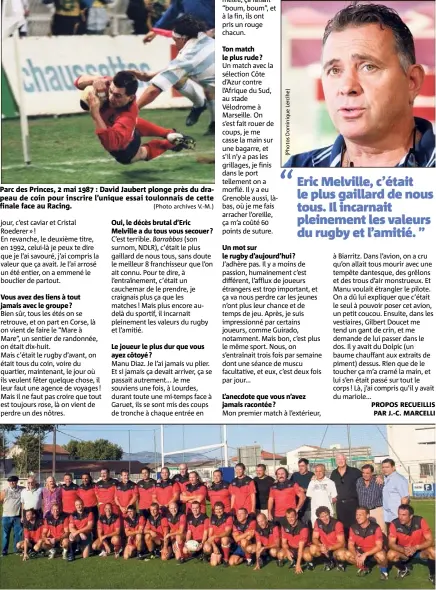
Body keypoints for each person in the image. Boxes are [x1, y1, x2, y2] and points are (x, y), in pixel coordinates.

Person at [284, 3, 435, 168]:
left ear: (412, 81)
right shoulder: (297, 171)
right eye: (334, 70)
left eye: (368, 67)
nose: (347, 87)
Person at [74, 71, 195, 166]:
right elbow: (78, 81)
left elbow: (111, 144)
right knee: (133, 123)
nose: (111, 97)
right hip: (124, 125)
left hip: (124, 145)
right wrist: (95, 80)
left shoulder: (128, 115)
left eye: (117, 96)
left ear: (130, 98)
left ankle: (169, 144)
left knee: (136, 155)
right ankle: (170, 134)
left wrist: (95, 114)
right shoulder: (111, 84)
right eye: (111, 91)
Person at [134, 15, 215, 135]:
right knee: (195, 82)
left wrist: (132, 110)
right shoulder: (205, 37)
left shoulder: (188, 56)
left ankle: (208, 116)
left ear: (183, 39)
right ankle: (202, 108)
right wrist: (151, 75)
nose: (175, 45)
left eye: (175, 40)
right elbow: (179, 68)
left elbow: (153, 90)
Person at [387, 504, 435, 584]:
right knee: (390, 554)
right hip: (404, 552)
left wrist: (416, 548)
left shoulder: (420, 521)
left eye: (404, 515)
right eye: (399, 514)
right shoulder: (394, 524)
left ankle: (432, 575)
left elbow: (430, 540)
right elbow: (391, 544)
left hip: (420, 551)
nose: (400, 517)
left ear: (411, 516)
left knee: (434, 551)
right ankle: (404, 570)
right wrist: (403, 550)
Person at [345, 506, 389, 580]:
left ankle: (384, 572)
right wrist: (356, 555)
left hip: (373, 553)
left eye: (360, 515)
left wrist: (365, 555)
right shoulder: (353, 527)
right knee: (347, 554)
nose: (357, 517)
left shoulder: (376, 527)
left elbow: (379, 546)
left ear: (367, 515)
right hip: (361, 552)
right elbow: (350, 545)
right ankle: (364, 568)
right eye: (357, 515)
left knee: (381, 555)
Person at [330, 453, 361, 536]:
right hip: (340, 505)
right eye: (338, 459)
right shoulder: (334, 473)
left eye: (342, 459)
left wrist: (378, 477)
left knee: (355, 525)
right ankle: (345, 545)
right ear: (336, 461)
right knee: (342, 526)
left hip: (353, 503)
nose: (340, 461)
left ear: (345, 460)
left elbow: (366, 476)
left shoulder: (355, 471)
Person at [309, 506, 346, 571]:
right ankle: (327, 561)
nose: (325, 518)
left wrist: (329, 548)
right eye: (322, 517)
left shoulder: (337, 524)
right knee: (312, 548)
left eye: (326, 515)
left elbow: (341, 543)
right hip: (324, 549)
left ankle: (338, 562)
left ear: (329, 514)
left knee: (342, 554)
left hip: (335, 548)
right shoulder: (317, 522)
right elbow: (314, 538)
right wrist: (320, 545)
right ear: (319, 517)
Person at [278, 508, 312, 572]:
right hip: (292, 548)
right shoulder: (284, 526)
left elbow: (301, 547)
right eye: (288, 517)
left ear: (296, 516)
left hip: (304, 547)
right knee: (280, 554)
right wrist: (287, 551)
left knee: (308, 556)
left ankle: (308, 562)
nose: (290, 519)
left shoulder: (303, 527)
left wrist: (298, 565)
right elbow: (284, 542)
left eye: (292, 517)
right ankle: (294, 560)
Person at [381, 458, 409, 530]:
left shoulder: (399, 479)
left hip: (397, 516)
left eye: (387, 467)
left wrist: (402, 515)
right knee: (391, 539)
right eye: (383, 467)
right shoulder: (386, 478)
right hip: (388, 516)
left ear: (393, 468)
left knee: (400, 538)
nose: (385, 469)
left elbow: (405, 498)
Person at [356, 464, 385, 533]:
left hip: (376, 510)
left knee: (381, 530)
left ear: (372, 473)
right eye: (363, 473)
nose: (365, 475)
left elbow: (385, 495)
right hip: (363, 512)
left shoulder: (378, 481)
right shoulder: (359, 481)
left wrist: (379, 477)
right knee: (365, 531)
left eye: (367, 473)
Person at [203, 501, 233, 567]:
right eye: (216, 509)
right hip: (215, 542)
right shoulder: (212, 518)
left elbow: (227, 533)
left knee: (224, 539)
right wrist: (214, 546)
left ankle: (226, 559)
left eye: (220, 509)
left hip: (225, 540)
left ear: (223, 509)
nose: (218, 511)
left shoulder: (228, 518)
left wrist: (216, 536)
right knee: (214, 563)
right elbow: (210, 535)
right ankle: (209, 555)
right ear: (214, 510)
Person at [1, 475, 24, 557]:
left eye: (13, 481)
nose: (11, 483)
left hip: (17, 516)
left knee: (18, 534)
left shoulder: (22, 490)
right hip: (6, 517)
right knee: (5, 535)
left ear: (17, 481)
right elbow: (1, 500)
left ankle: (16, 550)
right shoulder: (5, 491)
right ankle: (4, 551)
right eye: (10, 481)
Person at [291, 458, 314, 525]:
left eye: (302, 466)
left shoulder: (312, 475)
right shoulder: (295, 475)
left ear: (307, 466)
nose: (300, 468)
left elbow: (315, 490)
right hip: (297, 506)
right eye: (299, 466)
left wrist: (304, 490)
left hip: (308, 506)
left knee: (309, 525)